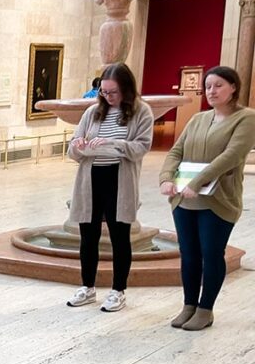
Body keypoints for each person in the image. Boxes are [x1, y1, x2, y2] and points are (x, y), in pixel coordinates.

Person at [158, 65, 255, 330]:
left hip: (217, 199)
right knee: (188, 254)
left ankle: (205, 309)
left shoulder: (247, 118)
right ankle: (189, 305)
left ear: (233, 87)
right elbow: (176, 151)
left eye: (219, 85)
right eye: (208, 86)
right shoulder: (198, 118)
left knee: (211, 253)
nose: (211, 91)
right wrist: (166, 178)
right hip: (184, 198)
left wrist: (197, 182)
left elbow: (232, 156)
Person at [66, 63, 153, 312]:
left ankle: (118, 290)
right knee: (88, 235)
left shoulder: (141, 112)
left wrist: (114, 144)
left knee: (119, 236)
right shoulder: (93, 112)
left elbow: (141, 147)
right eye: (104, 92)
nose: (107, 97)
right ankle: (87, 287)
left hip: (119, 179)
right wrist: (80, 145)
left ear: (126, 89)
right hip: (90, 178)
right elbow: (73, 147)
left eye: (112, 92)